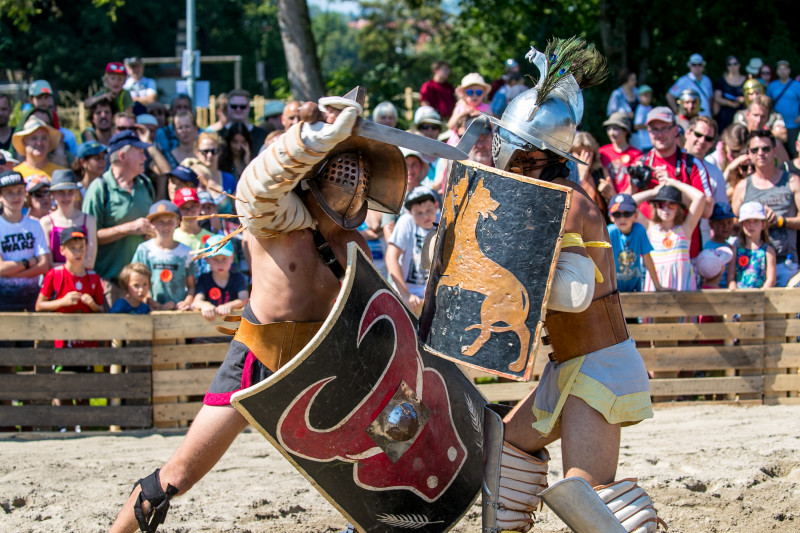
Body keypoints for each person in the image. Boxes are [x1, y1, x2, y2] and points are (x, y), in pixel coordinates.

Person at [108, 97, 406, 533]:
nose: (353, 183)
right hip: (259, 358)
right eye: (343, 172)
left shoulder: (354, 244)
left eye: (360, 178)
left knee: (395, 442)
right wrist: (315, 136)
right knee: (179, 476)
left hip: (327, 365)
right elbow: (258, 182)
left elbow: (382, 314)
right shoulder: (275, 220)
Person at [484, 38, 665, 533]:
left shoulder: (570, 203)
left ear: (528, 150)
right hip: (569, 368)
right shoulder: (540, 197)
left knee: (587, 501)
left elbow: (576, 292)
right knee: (505, 450)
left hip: (598, 368)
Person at [82, 131, 155, 307]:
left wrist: (152, 233)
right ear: (122, 156)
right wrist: (128, 229)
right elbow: (88, 238)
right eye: (139, 152)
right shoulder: (100, 188)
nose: (144, 157)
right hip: (110, 286)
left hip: (143, 290)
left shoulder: (145, 184)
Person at [633, 106, 713, 257]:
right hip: (648, 256)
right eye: (654, 129)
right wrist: (634, 185)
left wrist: (673, 187)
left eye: (665, 128)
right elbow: (622, 205)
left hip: (685, 255)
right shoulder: (640, 163)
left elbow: (707, 210)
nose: (659, 134)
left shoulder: (691, 164)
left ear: (676, 130)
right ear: (648, 132)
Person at [732, 130, 800, 286]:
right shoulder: (743, 187)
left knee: (788, 310)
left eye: (766, 148)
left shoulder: (792, 181)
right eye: (755, 150)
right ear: (749, 153)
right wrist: (755, 221)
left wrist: (780, 221)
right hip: (751, 264)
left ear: (775, 151)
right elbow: (733, 226)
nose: (760, 153)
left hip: (785, 262)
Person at [634, 180, 706, 291]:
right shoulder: (650, 228)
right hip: (656, 290)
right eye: (661, 205)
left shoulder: (685, 228)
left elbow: (700, 197)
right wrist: (654, 192)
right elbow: (629, 203)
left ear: (678, 208)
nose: (666, 209)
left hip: (682, 289)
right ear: (655, 207)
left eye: (671, 205)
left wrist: (673, 182)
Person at [0, 170, 51, 311]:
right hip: (3, 300)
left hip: (32, 299)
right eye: (9, 192)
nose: (15, 196)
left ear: (25, 194)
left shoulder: (35, 225)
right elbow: (0, 268)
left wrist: (12, 272)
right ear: (0, 196)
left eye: (19, 191)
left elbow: (43, 266)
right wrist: (28, 262)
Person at [131, 200, 196, 311]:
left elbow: (191, 285)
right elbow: (135, 283)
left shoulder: (186, 251)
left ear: (177, 223)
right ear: (152, 224)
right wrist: (153, 303)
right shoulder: (144, 250)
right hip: (150, 310)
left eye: (170, 221)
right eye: (161, 222)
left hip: (179, 311)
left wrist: (186, 302)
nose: (166, 226)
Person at [385, 186, 438, 314]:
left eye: (429, 210)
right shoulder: (406, 222)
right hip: (408, 297)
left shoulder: (443, 219)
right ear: (410, 213)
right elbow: (391, 257)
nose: (425, 216)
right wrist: (405, 294)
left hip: (433, 297)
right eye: (419, 213)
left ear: (436, 206)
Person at [35, 227, 103, 321]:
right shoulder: (54, 274)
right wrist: (62, 302)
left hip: (86, 332)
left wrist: (92, 305)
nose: (78, 252)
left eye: (81, 247)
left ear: (86, 247)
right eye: (73, 248)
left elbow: (101, 309)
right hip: (60, 330)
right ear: (62, 250)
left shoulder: (94, 277)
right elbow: (39, 306)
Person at [684, 116, 729, 245]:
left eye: (708, 138)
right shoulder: (673, 161)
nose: (702, 141)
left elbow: (720, 212)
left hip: (702, 238)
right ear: (688, 133)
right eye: (698, 135)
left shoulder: (715, 173)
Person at [40, 169, 97, 269]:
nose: (66, 197)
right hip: (56, 280)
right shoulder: (46, 222)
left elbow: (90, 263)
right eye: (61, 192)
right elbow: (48, 264)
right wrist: (75, 266)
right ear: (52, 195)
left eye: (70, 192)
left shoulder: (89, 220)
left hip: (82, 280)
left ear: (76, 193)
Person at [607, 193, 663, 292]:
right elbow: (601, 261)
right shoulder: (610, 232)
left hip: (634, 288)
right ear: (611, 217)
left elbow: (647, 258)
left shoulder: (639, 230)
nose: (622, 218)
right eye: (617, 214)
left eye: (627, 213)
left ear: (636, 215)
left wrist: (658, 286)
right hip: (613, 289)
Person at [192, 234, 249, 321]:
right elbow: (197, 301)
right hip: (208, 328)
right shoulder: (204, 279)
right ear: (207, 260)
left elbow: (244, 298)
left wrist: (229, 306)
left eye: (224, 259)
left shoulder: (238, 278)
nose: (220, 264)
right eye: (215, 259)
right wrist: (205, 305)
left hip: (232, 328)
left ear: (232, 257)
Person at [728, 201, 777, 289]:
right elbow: (731, 278)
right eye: (747, 221)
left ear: (763, 224)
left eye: (756, 221)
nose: (751, 225)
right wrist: (734, 294)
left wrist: (762, 294)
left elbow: (771, 279)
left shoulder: (768, 250)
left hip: (761, 298)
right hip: (739, 298)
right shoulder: (736, 249)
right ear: (741, 224)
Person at [598, 111, 642, 197]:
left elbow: (636, 184)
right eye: (609, 129)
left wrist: (621, 201)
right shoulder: (602, 152)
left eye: (615, 129)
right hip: (607, 200)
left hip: (628, 200)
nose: (611, 133)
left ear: (625, 131)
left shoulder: (637, 155)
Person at [572, 131, 612, 219]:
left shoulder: (600, 171)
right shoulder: (567, 172)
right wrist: (581, 177)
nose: (584, 157)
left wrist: (608, 195)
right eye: (579, 154)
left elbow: (615, 202)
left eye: (588, 154)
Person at [767, 60, 800, 158]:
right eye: (780, 69)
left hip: (793, 125)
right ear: (776, 72)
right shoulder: (772, 86)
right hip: (777, 126)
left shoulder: (797, 85)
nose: (782, 71)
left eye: (784, 69)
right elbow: (767, 104)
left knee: (795, 152)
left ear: (789, 70)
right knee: (777, 152)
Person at [667, 53, 714, 118]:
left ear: (703, 66)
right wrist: (677, 111)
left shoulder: (707, 80)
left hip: (706, 116)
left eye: (699, 64)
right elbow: (670, 95)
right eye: (694, 65)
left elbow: (710, 98)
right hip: (690, 118)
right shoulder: (683, 80)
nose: (697, 67)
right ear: (690, 66)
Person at [704, 202, 736, 288]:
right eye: (721, 223)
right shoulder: (705, 248)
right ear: (711, 224)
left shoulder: (732, 248)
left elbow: (731, 277)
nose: (726, 227)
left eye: (729, 222)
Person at [714, 55, 746, 132]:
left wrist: (744, 99)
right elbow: (717, 98)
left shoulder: (746, 80)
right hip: (725, 116)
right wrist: (730, 103)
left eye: (734, 64)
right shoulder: (721, 80)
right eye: (729, 64)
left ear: (739, 65)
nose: (732, 66)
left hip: (741, 114)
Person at [631, 84, 654, 151]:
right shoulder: (640, 109)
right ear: (639, 97)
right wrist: (650, 126)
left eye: (649, 95)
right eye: (645, 95)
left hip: (651, 141)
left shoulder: (649, 107)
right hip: (645, 143)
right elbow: (636, 126)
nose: (648, 98)